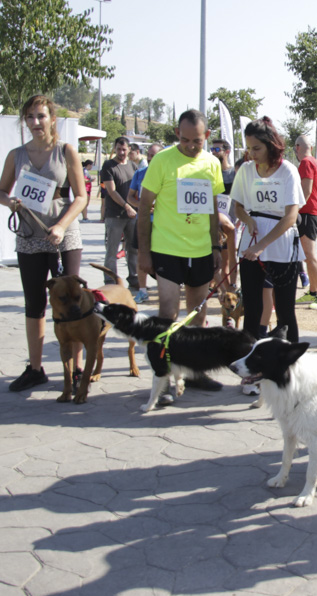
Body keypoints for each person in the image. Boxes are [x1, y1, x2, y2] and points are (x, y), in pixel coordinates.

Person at [0, 95, 88, 391]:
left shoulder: (66, 151)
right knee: (34, 304)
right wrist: (9, 202)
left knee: (73, 303)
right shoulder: (16, 155)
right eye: (31, 117)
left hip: (64, 238)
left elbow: (82, 196)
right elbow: (0, 191)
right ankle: (35, 369)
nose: (36, 123)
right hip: (30, 239)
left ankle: (76, 368)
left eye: (41, 116)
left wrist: (61, 225)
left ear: (52, 119)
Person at [137, 109, 226, 391]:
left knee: (198, 316)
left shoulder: (212, 163)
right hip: (166, 249)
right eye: (185, 139)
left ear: (207, 137)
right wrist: (144, 251)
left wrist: (215, 246)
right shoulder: (162, 161)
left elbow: (213, 209)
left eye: (197, 141)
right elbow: (143, 208)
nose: (190, 145)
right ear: (177, 134)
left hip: (200, 251)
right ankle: (161, 379)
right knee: (167, 313)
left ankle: (195, 373)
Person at [231, 117, 304, 345]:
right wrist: (249, 221)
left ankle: (290, 362)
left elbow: (291, 216)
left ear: (271, 145)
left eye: (257, 148)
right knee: (251, 307)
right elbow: (238, 207)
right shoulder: (246, 170)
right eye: (249, 148)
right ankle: (249, 362)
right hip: (251, 241)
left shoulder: (288, 171)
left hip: (281, 244)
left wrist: (262, 245)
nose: (252, 154)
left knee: (284, 310)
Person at [100, 137, 138, 288]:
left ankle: (134, 278)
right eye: (118, 149)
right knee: (112, 251)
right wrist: (126, 206)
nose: (121, 152)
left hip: (133, 216)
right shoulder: (108, 166)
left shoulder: (133, 166)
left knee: (132, 249)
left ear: (129, 149)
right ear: (114, 149)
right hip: (115, 215)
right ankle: (110, 281)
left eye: (124, 149)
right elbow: (112, 191)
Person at [127, 142, 162, 303]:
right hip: (143, 222)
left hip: (162, 224)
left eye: (154, 156)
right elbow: (130, 197)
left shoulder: (168, 174)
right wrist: (142, 206)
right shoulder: (140, 173)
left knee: (162, 256)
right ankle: (142, 290)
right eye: (148, 155)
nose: (150, 158)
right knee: (141, 255)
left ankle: (164, 289)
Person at [293, 135, 317, 310]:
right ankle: (313, 292)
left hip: (308, 213)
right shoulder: (313, 161)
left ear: (298, 147)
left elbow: (305, 191)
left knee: (310, 256)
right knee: (306, 256)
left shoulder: (306, 163)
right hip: (310, 213)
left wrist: (294, 210)